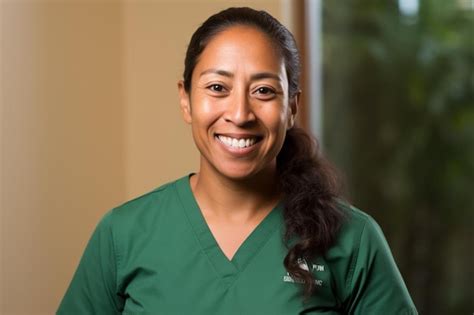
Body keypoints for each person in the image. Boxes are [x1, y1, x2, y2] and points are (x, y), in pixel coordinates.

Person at [57, 7, 417, 315]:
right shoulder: (123, 236)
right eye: (217, 87)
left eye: (264, 91)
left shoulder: (353, 239)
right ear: (186, 99)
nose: (240, 113)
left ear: (291, 107)